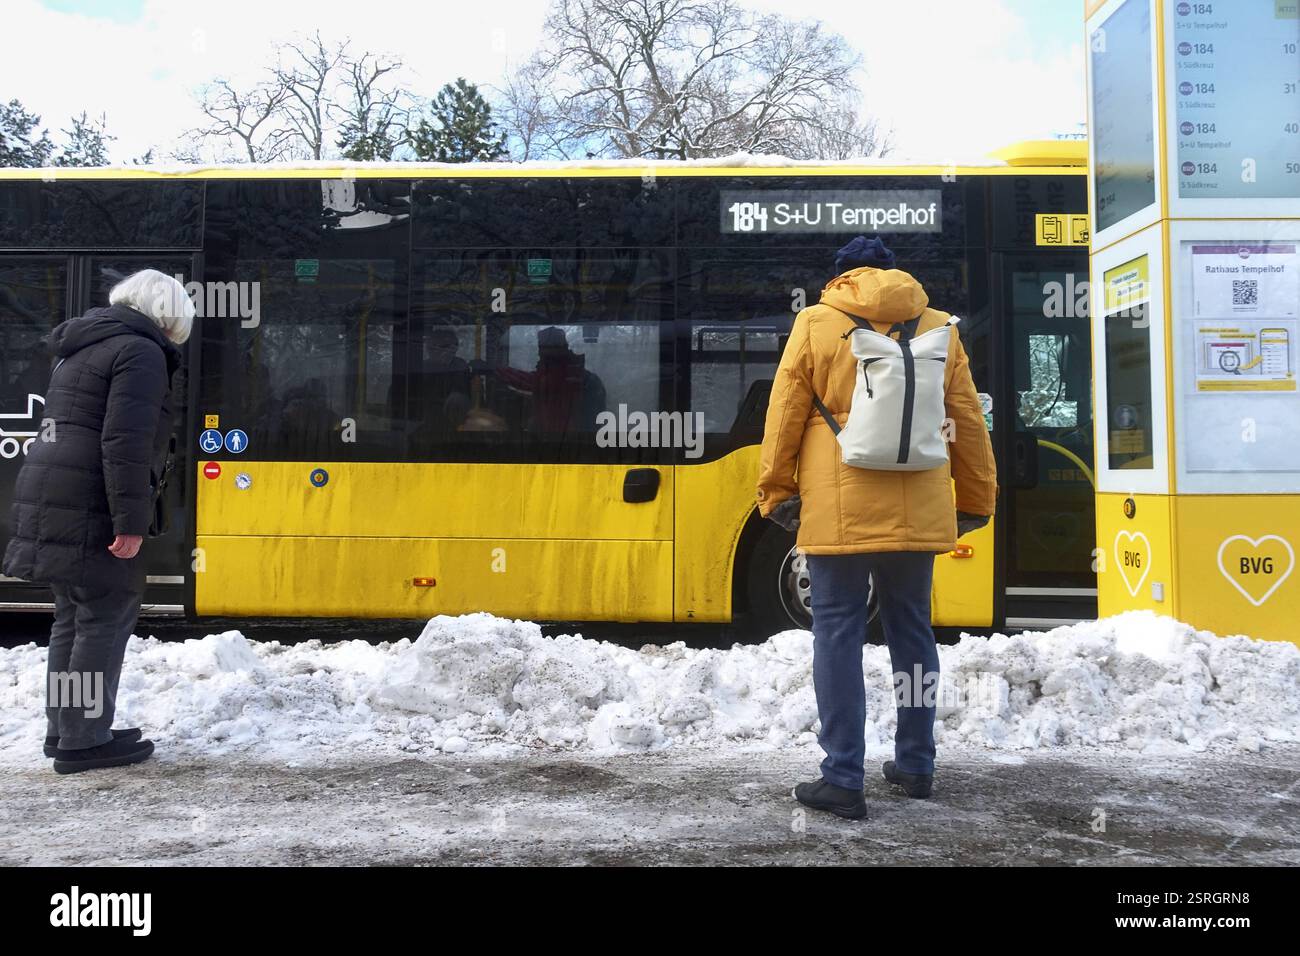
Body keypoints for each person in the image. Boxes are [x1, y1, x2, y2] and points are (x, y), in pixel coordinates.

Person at [756, 236, 996, 820]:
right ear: (895, 273)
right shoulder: (940, 325)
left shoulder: (815, 322)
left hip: (839, 502)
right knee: (912, 629)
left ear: (841, 277)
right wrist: (978, 497)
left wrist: (776, 491)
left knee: (837, 630)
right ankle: (916, 763)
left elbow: (786, 409)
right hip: (919, 497)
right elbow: (965, 415)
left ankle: (842, 776)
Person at [3, 269, 192, 774]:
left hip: (56, 491)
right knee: (103, 617)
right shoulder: (140, 351)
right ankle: (83, 740)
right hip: (91, 501)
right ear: (168, 314)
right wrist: (129, 522)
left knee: (73, 617)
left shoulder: (82, 345)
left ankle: (67, 727)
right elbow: (125, 442)